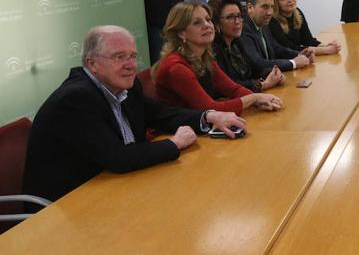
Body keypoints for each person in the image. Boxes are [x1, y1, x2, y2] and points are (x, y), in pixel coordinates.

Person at [22, 26, 245, 204]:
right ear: (92, 64)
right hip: (68, 207)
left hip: (117, 187)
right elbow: (118, 158)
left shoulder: (126, 85)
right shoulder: (76, 99)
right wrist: (174, 143)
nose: (130, 65)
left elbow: (162, 114)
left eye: (132, 56)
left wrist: (208, 117)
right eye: (119, 57)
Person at [154, 1, 283, 116]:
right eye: (197, 23)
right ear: (181, 33)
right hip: (175, 133)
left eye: (208, 19)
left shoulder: (205, 57)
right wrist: (254, 98)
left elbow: (233, 89)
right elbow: (210, 108)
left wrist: (259, 99)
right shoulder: (176, 67)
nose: (207, 25)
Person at [208, 0, 285, 93]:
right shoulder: (214, 50)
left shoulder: (237, 43)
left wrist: (272, 73)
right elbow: (228, 86)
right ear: (216, 22)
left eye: (239, 16)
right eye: (230, 17)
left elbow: (254, 69)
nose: (237, 21)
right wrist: (262, 84)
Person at [239, 0, 314, 72]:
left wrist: (299, 55)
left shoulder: (263, 23)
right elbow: (258, 63)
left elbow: (277, 48)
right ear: (250, 8)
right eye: (265, 7)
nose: (270, 12)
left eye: (271, 7)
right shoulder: (243, 28)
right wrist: (293, 63)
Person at [269, 0, 341, 55]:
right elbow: (290, 49)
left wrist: (324, 46)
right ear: (276, 3)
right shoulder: (272, 21)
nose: (290, 0)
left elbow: (308, 40)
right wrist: (325, 50)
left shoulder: (297, 12)